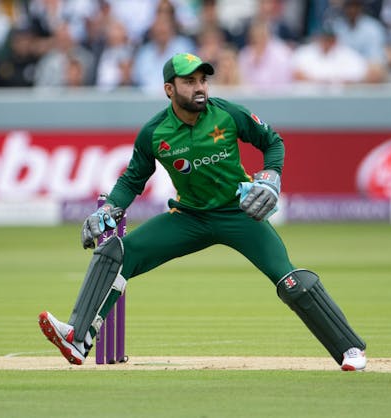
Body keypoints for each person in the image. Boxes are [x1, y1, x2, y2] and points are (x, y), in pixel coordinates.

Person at [38, 52, 367, 372]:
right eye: (189, 81)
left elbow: (272, 142)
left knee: (291, 281)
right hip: (189, 217)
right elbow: (132, 179)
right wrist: (110, 208)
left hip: (239, 214)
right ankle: (78, 338)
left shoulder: (227, 113)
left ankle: (349, 348)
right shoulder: (155, 132)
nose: (200, 87)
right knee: (116, 252)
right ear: (170, 89)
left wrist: (270, 178)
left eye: (203, 80)